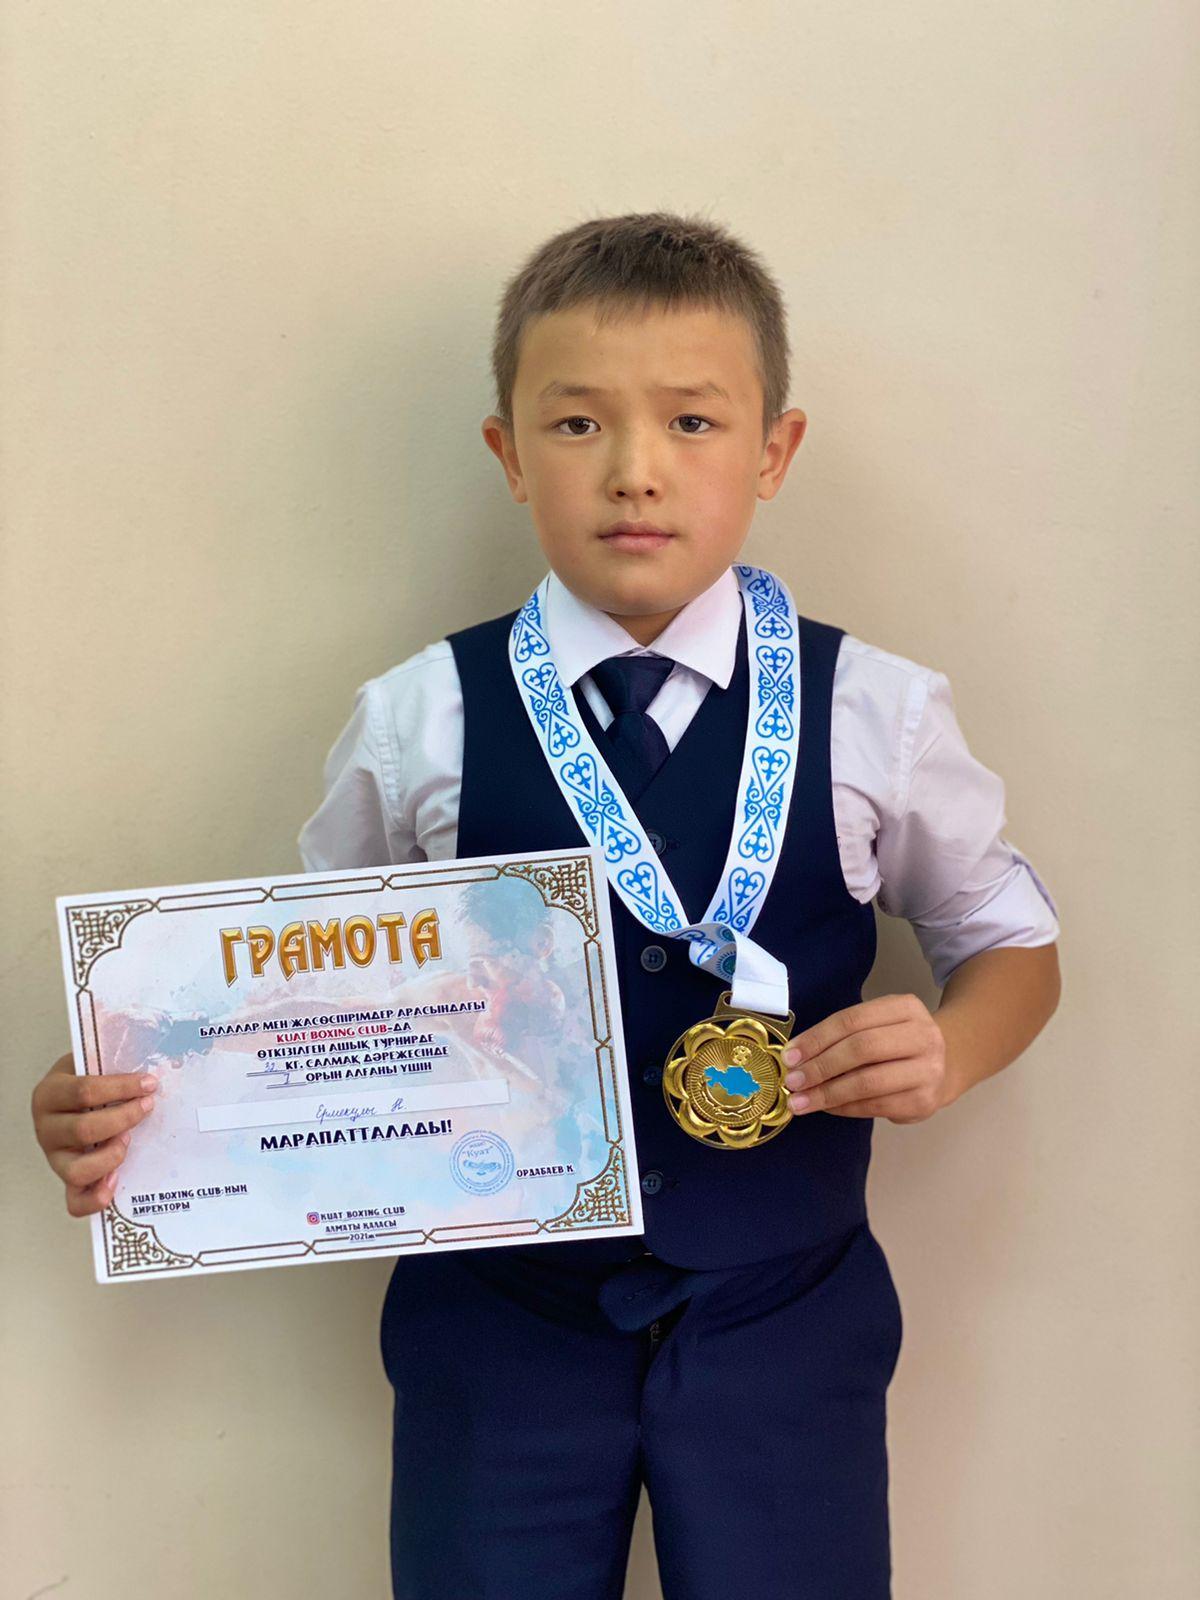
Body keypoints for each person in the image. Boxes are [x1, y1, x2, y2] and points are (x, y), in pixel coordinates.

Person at [31, 210, 1062, 1598]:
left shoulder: (879, 710)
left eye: (693, 421)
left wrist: (954, 1047)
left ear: (774, 451)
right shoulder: (419, 721)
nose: (636, 469)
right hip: (497, 1328)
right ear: (509, 453)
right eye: (577, 424)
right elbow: (281, 1002)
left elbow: (1012, 944)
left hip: (789, 1315)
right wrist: (126, 1099)